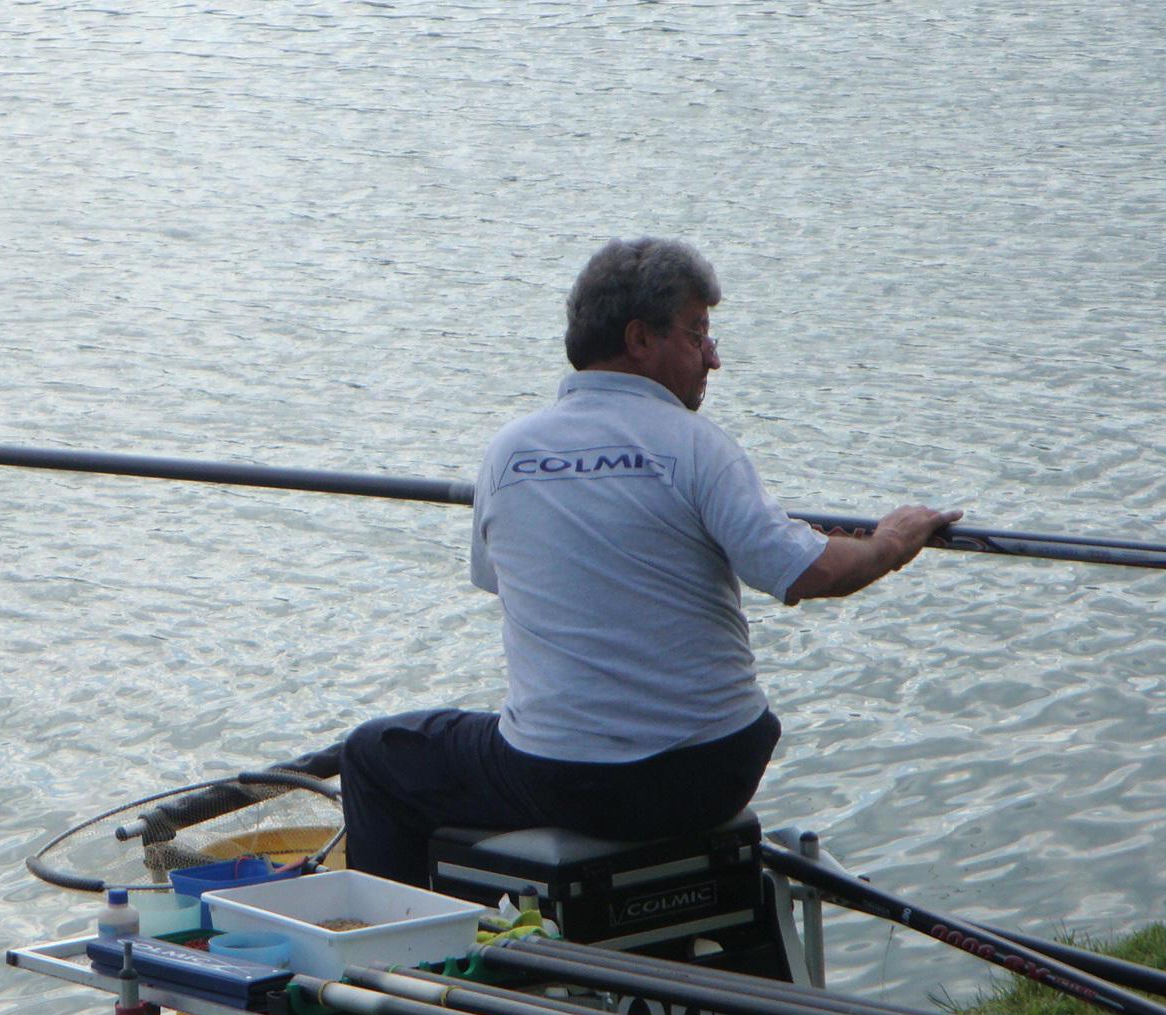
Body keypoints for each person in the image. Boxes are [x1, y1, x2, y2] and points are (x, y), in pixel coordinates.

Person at [341, 237, 961, 887]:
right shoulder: (697, 446)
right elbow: (813, 571)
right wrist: (890, 542)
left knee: (375, 758)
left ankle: (412, 940)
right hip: (716, 773)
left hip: (567, 783)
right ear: (639, 339)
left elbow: (509, 583)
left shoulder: (507, 454)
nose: (713, 356)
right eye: (698, 334)